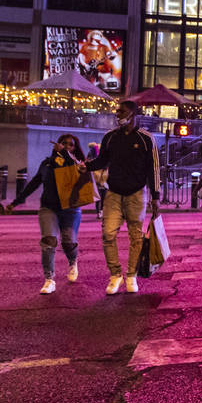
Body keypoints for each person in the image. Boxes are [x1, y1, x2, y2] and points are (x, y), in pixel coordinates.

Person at [83, 100, 161, 295]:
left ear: (133, 114)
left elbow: (154, 169)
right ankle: (115, 275)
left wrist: (155, 196)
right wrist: (87, 166)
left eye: (122, 111)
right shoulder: (110, 137)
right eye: (117, 111)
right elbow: (102, 160)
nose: (118, 114)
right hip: (113, 193)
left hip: (137, 193)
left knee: (136, 236)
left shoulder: (146, 138)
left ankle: (131, 275)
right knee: (108, 234)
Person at [4, 134, 86, 294]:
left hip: (70, 208)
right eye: (64, 143)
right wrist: (16, 201)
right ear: (57, 144)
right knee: (49, 240)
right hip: (48, 207)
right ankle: (49, 279)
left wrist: (65, 155)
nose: (67, 146)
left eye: (71, 145)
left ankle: (73, 261)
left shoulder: (78, 164)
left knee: (68, 242)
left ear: (75, 148)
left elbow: (74, 173)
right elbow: (34, 183)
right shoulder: (47, 163)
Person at [88, 142, 108, 222]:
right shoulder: (96, 168)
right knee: (98, 199)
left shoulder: (106, 169)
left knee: (103, 199)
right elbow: (96, 176)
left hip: (104, 184)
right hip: (98, 184)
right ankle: (99, 212)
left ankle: (102, 211)